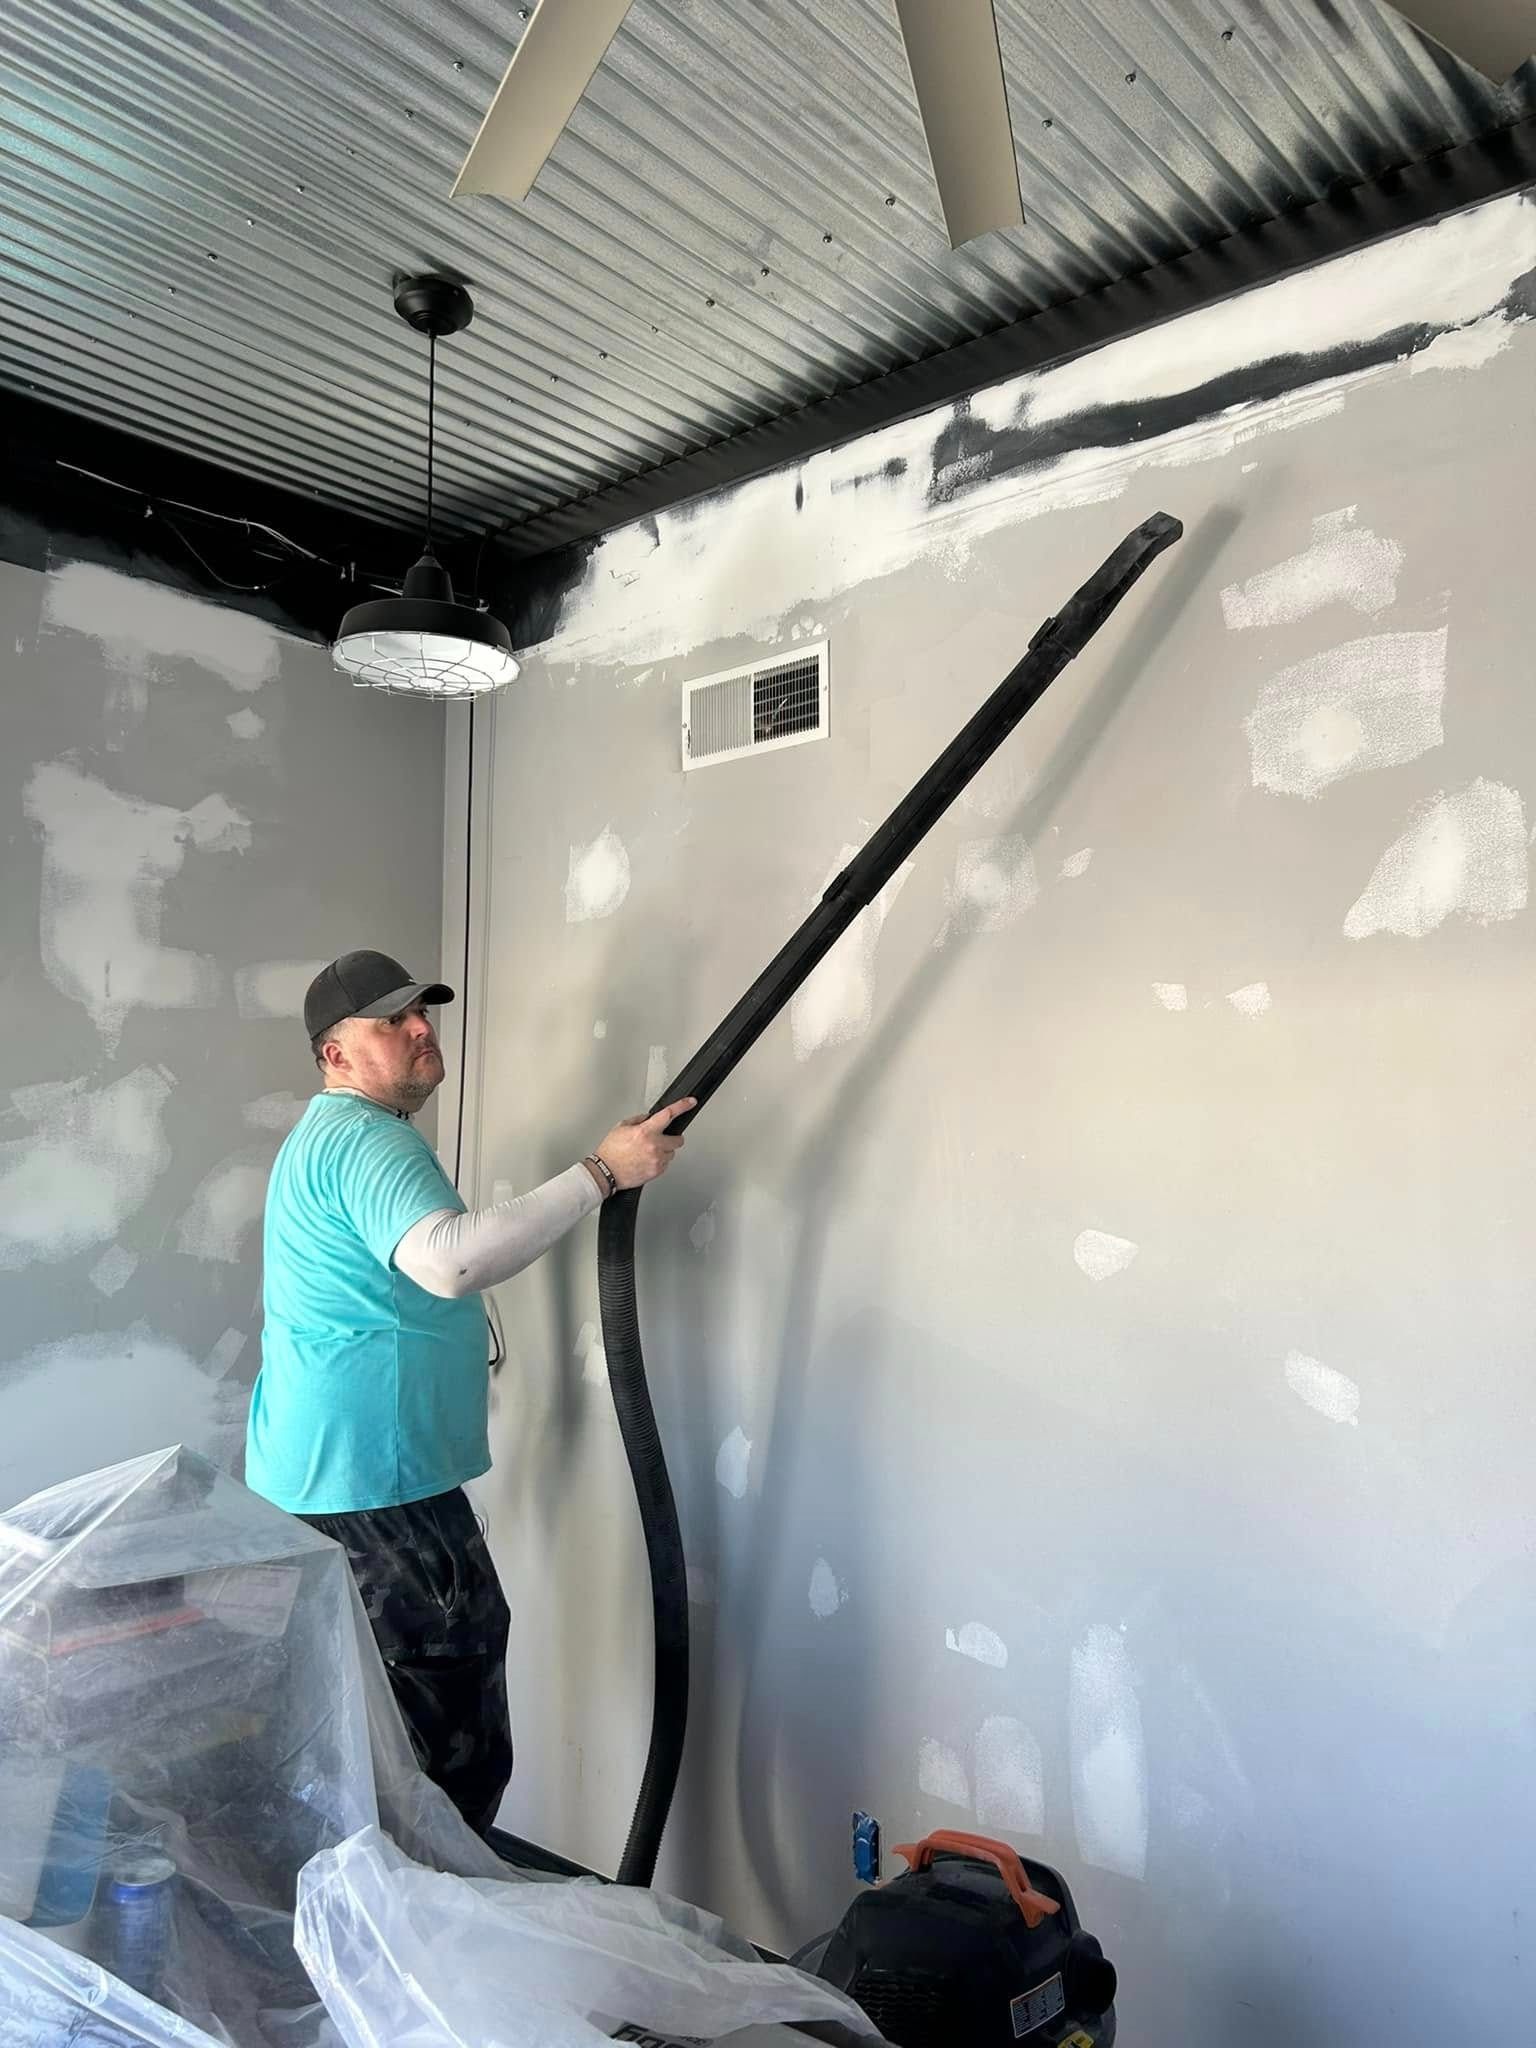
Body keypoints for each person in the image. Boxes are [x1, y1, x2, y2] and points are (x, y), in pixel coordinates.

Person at [244, 948, 693, 1835]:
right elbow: (450, 1261)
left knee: (358, 1736)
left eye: (423, 1012)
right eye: (393, 1020)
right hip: (377, 1489)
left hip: (321, 1480)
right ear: (335, 1053)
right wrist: (602, 1173)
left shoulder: (324, 1140)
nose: (422, 1029)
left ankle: (357, 1899)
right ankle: (426, 1908)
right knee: (446, 1749)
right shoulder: (364, 1138)